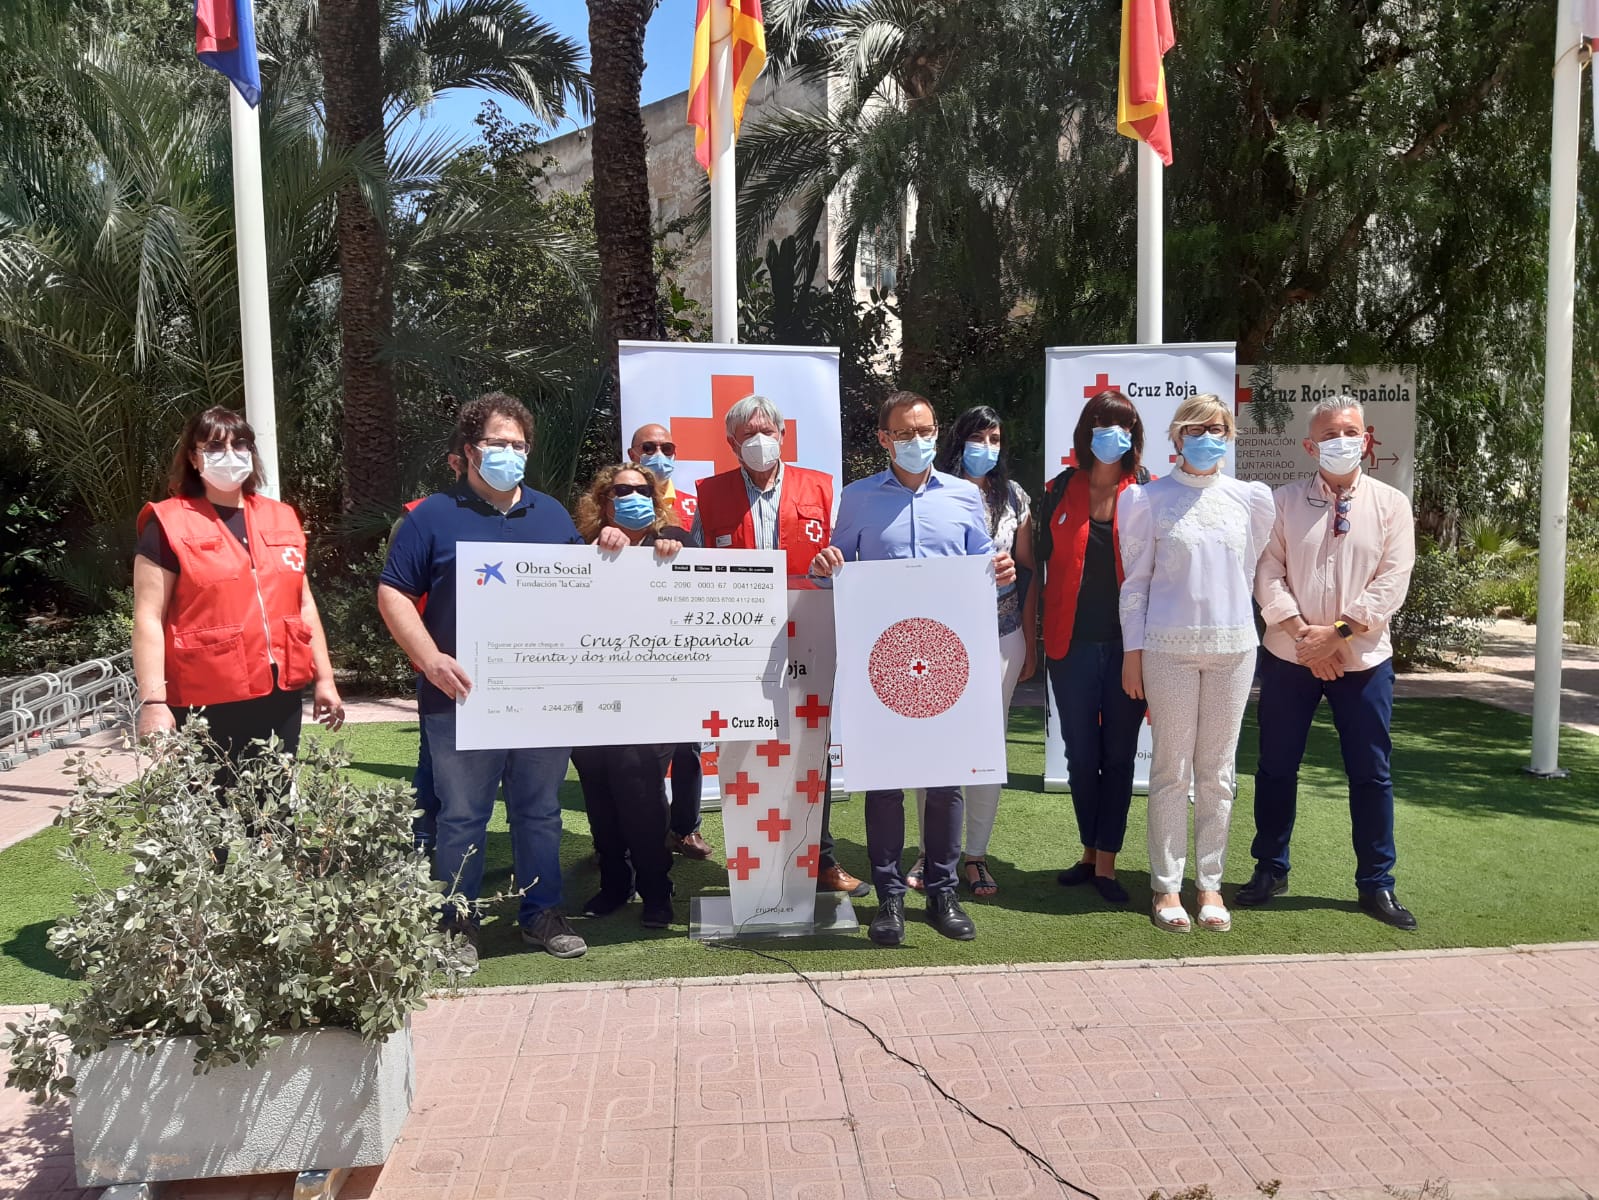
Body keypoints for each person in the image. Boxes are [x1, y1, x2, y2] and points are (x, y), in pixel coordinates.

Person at [377, 392, 587, 971]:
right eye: (497, 444)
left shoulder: (552, 515)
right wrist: (429, 659)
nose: (509, 454)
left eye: (518, 445)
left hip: (541, 700)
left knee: (540, 811)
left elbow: (587, 592)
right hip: (458, 700)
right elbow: (392, 591)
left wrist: (613, 549)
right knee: (463, 815)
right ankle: (456, 921)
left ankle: (541, 913)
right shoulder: (431, 516)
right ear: (469, 451)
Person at [811, 391, 1018, 947]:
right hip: (881, 663)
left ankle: (943, 891)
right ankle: (889, 897)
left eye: (925, 430)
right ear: (884, 439)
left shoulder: (963, 498)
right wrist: (826, 565)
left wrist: (1002, 570)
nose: (917, 441)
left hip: (946, 659)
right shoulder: (855, 499)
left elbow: (986, 568)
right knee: (883, 785)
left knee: (944, 781)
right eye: (904, 433)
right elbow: (836, 570)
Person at [1245, 396, 1419, 930]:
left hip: (1362, 660)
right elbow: (1266, 573)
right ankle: (1270, 868)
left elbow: (1392, 581)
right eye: (1330, 434)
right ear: (1310, 445)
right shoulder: (1283, 502)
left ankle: (1376, 883)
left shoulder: (1392, 505)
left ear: (1366, 439)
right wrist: (1303, 636)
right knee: (1275, 767)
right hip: (1290, 656)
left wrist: (1338, 634)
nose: (1342, 440)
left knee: (1371, 773)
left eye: (1351, 431)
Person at [695, 393, 868, 899]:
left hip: (810, 640)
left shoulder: (822, 488)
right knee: (745, 749)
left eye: (767, 430)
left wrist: (835, 566)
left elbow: (847, 560)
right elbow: (697, 570)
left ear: (784, 434)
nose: (759, 440)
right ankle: (754, 865)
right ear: (731, 444)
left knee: (812, 751)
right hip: (740, 643)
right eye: (748, 434)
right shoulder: (711, 494)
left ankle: (822, 860)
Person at [1118, 393, 1274, 934]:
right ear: (1177, 436)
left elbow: (1251, 571)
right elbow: (1135, 585)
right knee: (1170, 771)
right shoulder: (1146, 500)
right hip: (1167, 650)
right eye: (1198, 427)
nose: (1210, 436)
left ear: (1231, 435)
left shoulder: (1250, 498)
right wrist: (1131, 654)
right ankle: (1165, 887)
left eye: (1220, 427)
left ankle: (1209, 882)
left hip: (1234, 649)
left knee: (1218, 773)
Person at [133, 407, 344, 763]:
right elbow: (148, 618)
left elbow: (303, 604)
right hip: (206, 693)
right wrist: (154, 701)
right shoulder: (167, 523)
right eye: (214, 447)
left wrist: (325, 679)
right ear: (194, 459)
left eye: (241, 445)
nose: (230, 455)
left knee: (274, 804)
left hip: (279, 691)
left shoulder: (282, 517)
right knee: (214, 810)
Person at [902, 406, 1036, 898]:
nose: (987, 446)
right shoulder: (930, 492)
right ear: (957, 442)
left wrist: (1030, 639)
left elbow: (1027, 571)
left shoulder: (1015, 497)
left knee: (986, 747)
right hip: (937, 641)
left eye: (995, 438)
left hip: (1001, 638)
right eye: (977, 437)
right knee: (933, 746)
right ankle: (928, 850)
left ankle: (975, 855)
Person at [1040, 389, 1150, 905]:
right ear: (1086, 431)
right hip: (1070, 646)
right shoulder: (1059, 489)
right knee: (1081, 757)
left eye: (1123, 425)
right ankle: (1089, 851)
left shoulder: (1147, 491)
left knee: (1119, 757)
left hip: (1130, 651)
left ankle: (1107, 862)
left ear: (1134, 436)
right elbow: (1030, 561)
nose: (1113, 434)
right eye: (1103, 423)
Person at [570, 462, 690, 929]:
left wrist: (673, 554)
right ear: (604, 501)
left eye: (642, 490)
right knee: (600, 800)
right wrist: (599, 556)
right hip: (590, 700)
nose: (633, 497)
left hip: (652, 703)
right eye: (622, 491)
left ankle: (657, 891)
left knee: (641, 800)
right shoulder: (579, 551)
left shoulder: (679, 544)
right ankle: (615, 884)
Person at [628, 423, 713, 861]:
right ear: (633, 451)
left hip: (682, 635)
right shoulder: (619, 496)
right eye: (649, 447)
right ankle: (638, 834)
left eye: (666, 447)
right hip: (628, 639)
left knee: (688, 744)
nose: (658, 454)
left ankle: (686, 828)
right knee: (634, 748)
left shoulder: (692, 503)